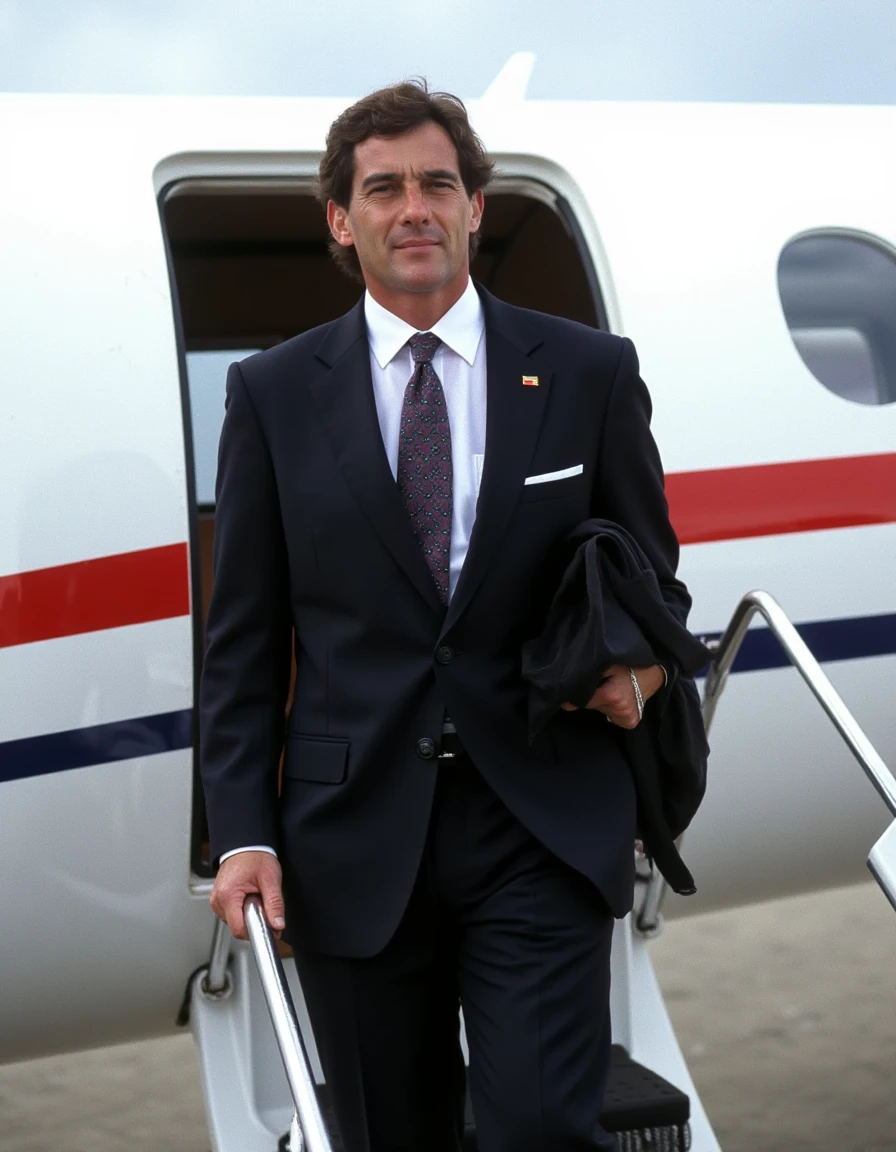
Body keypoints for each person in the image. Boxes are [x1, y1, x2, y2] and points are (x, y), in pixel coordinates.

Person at [200, 79, 693, 1152]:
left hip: (540, 813)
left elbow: (657, 587)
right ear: (342, 219)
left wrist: (642, 676)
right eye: (382, 188)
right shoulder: (272, 394)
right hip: (352, 835)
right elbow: (240, 642)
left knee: (537, 1128)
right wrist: (243, 831)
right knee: (387, 1135)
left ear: (476, 203)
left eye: (436, 183)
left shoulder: (585, 372)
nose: (411, 208)